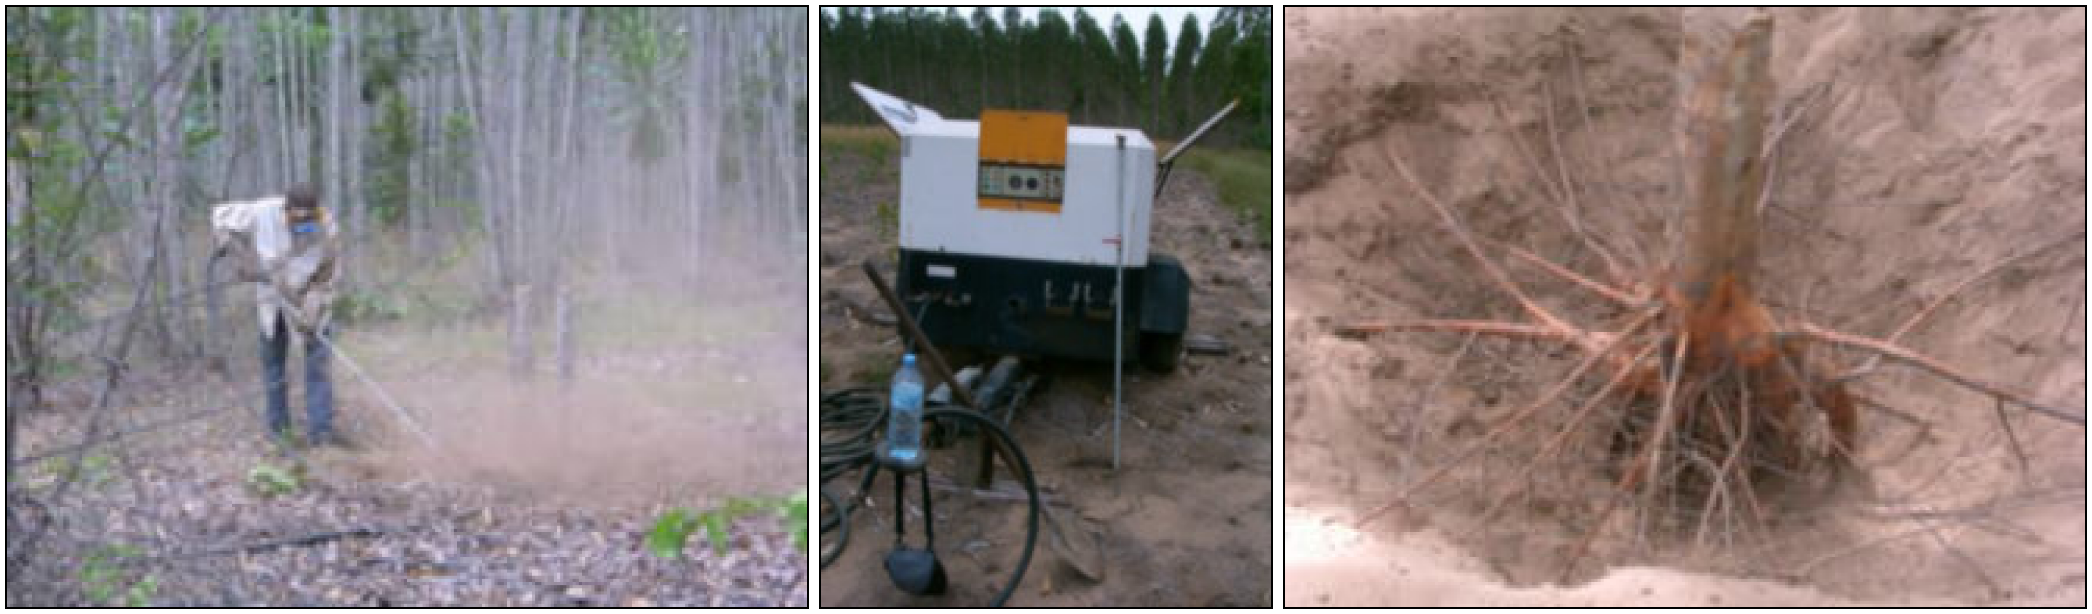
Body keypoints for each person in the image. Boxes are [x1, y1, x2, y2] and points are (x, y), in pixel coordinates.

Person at [210, 183, 342, 448]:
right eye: (297, 217)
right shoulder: (263, 212)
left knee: (318, 365)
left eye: (308, 218)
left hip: (308, 301)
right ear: (286, 210)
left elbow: (329, 276)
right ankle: (279, 432)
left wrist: (314, 304)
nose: (302, 223)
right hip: (271, 302)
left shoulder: (327, 228)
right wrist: (228, 244)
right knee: (274, 367)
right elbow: (219, 214)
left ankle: (321, 433)